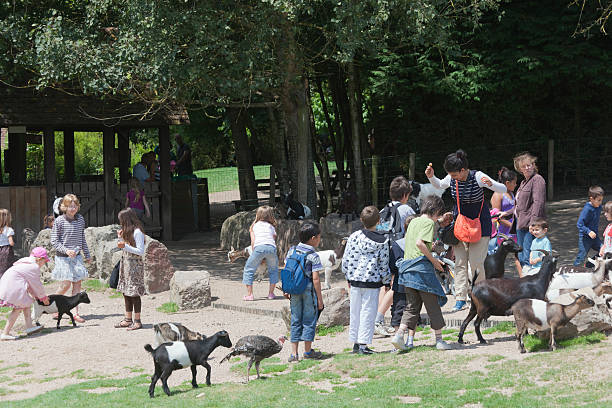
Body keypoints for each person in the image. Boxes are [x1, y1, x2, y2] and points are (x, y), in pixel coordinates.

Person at [426, 149, 507, 311]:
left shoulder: (478, 177)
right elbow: (440, 185)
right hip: (461, 225)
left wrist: (490, 184)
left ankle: (481, 297)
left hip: (480, 224)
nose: (453, 178)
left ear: (463, 170)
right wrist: (431, 176)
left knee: (476, 262)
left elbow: (503, 189)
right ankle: (460, 298)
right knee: (460, 263)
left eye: (455, 175)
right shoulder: (452, 178)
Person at [391, 195, 452, 351]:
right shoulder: (428, 223)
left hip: (407, 271)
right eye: (439, 213)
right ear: (436, 210)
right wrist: (435, 262)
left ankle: (399, 336)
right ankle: (439, 340)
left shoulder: (414, 222)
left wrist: (431, 248)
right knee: (433, 306)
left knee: (411, 306)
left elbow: (414, 243)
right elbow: (420, 244)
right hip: (421, 270)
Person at [342, 205, 390, 355]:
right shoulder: (382, 241)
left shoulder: (354, 237)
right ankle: (363, 345)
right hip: (372, 282)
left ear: (361, 220)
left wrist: (348, 275)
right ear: (379, 221)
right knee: (368, 312)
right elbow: (384, 263)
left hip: (355, 280)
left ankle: (356, 343)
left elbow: (346, 259)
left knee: (355, 312)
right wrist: (386, 280)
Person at [374, 176, 416, 336]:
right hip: (399, 251)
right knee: (396, 285)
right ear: (406, 194)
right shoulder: (406, 210)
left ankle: (378, 319)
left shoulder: (384, 209)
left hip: (384, 250)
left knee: (386, 285)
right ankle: (378, 319)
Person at [285, 222, 325, 362]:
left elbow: (287, 269)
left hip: (294, 289)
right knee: (309, 319)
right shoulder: (313, 255)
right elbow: (315, 279)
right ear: (313, 238)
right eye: (319, 237)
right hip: (308, 290)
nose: (320, 240)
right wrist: (320, 299)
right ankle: (307, 352)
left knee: (295, 319)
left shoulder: (292, 250)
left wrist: (287, 289)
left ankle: (293, 354)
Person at [51, 194, 92, 322]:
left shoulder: (80, 220)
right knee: (65, 284)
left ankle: (75, 313)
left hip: (77, 257)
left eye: (75, 206)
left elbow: (82, 239)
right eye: (70, 206)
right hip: (63, 258)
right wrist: (66, 250)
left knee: (77, 284)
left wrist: (87, 254)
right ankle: (53, 306)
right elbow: (54, 241)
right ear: (64, 207)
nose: (73, 209)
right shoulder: (59, 221)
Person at [0, 247, 50, 340]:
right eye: (44, 261)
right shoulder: (33, 267)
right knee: (18, 308)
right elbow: (36, 285)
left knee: (26, 303)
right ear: (39, 259)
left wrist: (36, 296)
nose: (44, 263)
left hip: (8, 285)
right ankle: (5, 333)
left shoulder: (25, 263)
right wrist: (43, 297)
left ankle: (29, 327)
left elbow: (30, 284)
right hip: (13, 287)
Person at [114, 209, 146, 331]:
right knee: (126, 291)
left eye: (122, 221)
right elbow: (123, 247)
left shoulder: (138, 232)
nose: (121, 224)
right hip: (126, 265)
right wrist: (120, 238)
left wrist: (125, 246)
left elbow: (140, 251)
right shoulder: (128, 232)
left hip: (135, 267)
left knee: (134, 293)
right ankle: (128, 319)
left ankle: (137, 321)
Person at [513, 152, 547, 268]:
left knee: (528, 256)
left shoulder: (537, 180)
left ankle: (530, 281)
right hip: (521, 223)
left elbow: (538, 203)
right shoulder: (523, 183)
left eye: (529, 165)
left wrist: (533, 224)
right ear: (520, 169)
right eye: (524, 166)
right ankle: (526, 281)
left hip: (530, 225)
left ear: (533, 165)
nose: (527, 168)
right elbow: (519, 205)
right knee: (522, 255)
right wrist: (506, 213)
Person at [489, 167, 522, 274]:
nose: (516, 185)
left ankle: (522, 276)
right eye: (514, 183)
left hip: (514, 228)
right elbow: (496, 217)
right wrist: (512, 225)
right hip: (504, 231)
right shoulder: (497, 195)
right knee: (500, 257)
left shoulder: (511, 192)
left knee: (519, 254)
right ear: (507, 183)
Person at [242, 206, 279, 301]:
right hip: (271, 248)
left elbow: (253, 241)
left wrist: (256, 253)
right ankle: (271, 294)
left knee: (248, 269)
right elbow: (274, 238)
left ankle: (250, 295)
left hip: (259, 248)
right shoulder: (271, 226)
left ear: (257, 215)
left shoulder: (254, 226)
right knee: (273, 270)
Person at [574, 186, 604, 266]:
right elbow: (579, 224)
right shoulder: (587, 209)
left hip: (595, 237)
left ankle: (589, 264)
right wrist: (588, 231)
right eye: (599, 200)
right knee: (581, 257)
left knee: (604, 251)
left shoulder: (599, 207)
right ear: (591, 199)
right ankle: (573, 272)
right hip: (585, 238)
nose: (600, 202)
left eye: (601, 200)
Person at [0, 209, 16, 277]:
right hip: (6, 250)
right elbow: (11, 242)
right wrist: (13, 243)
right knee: (6, 266)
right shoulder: (8, 229)